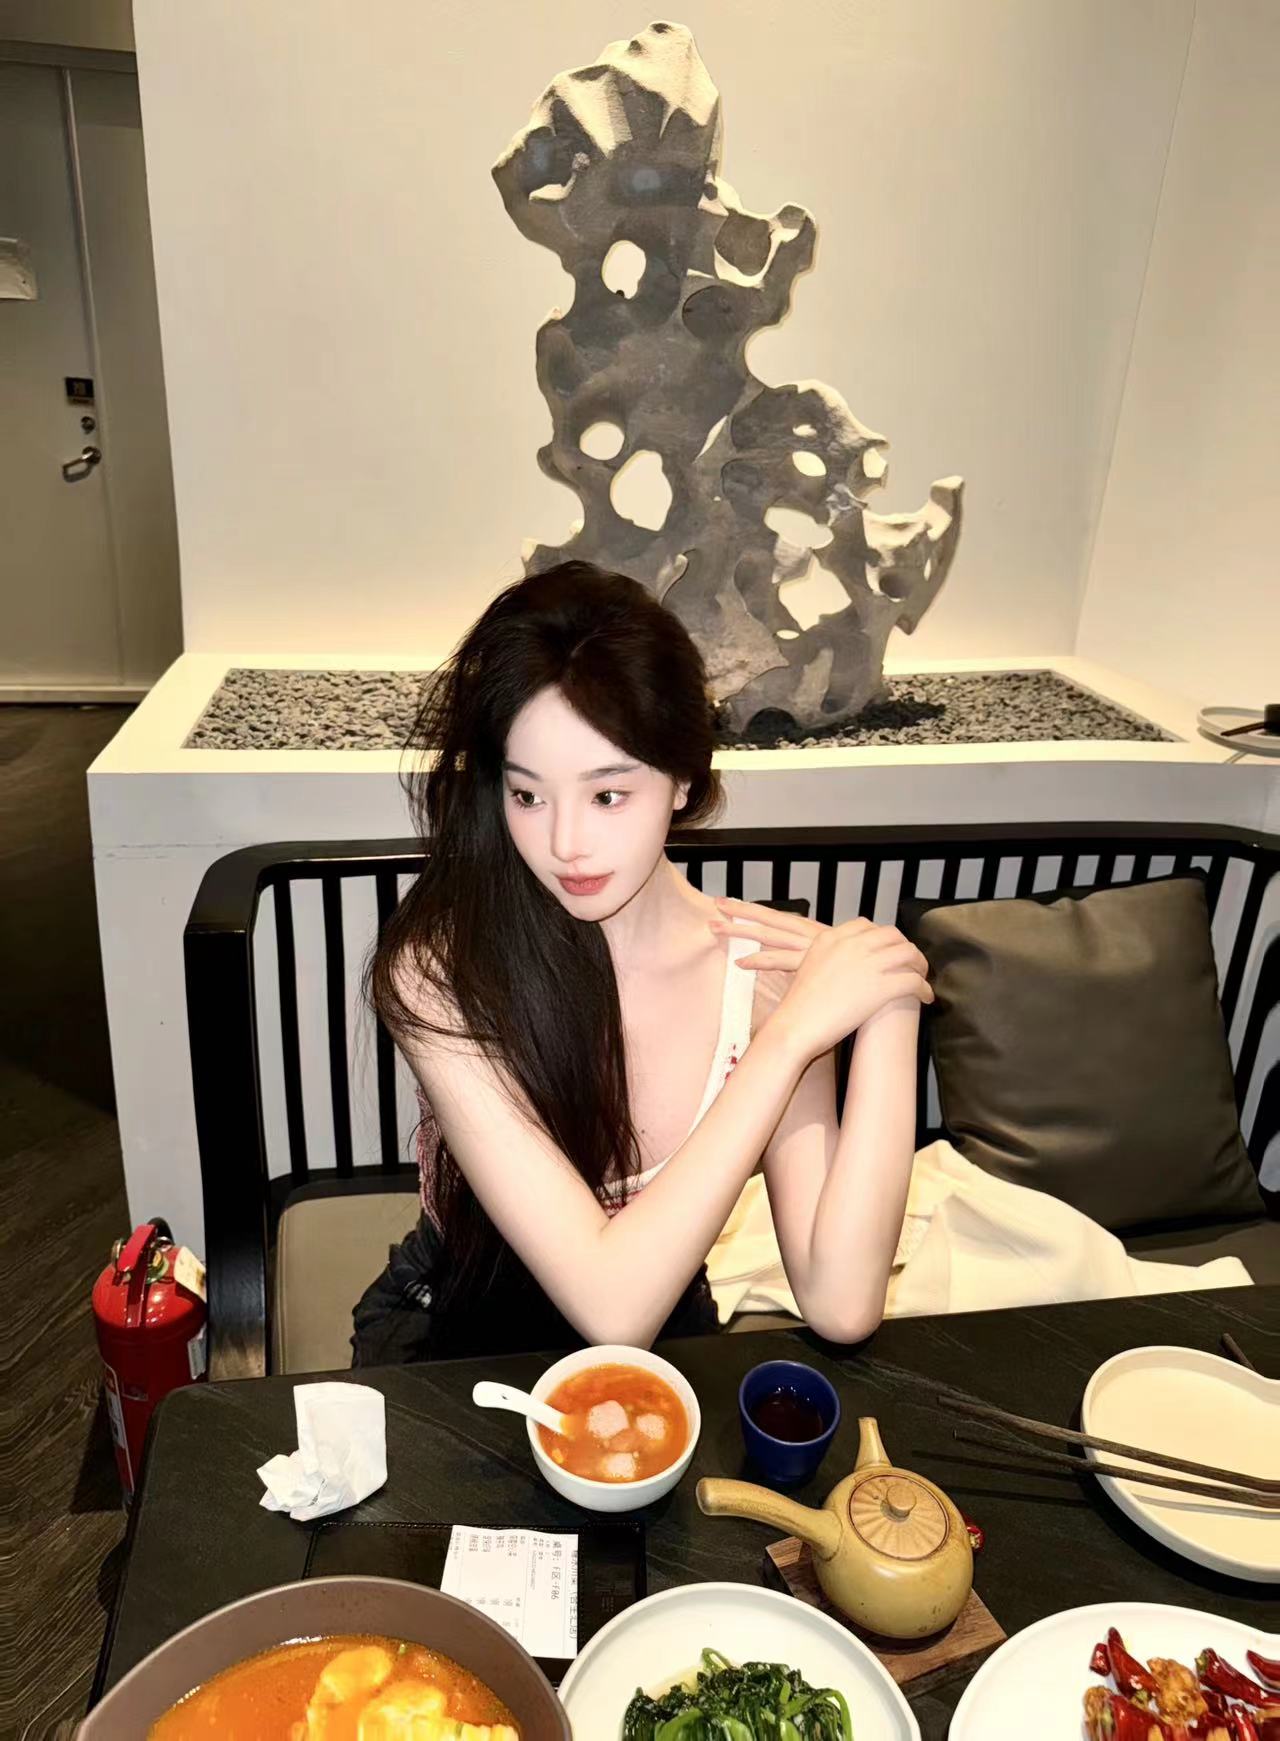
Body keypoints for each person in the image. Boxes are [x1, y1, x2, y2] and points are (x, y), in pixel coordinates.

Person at [353, 560, 932, 1364]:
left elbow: (841, 1304)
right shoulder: (439, 970)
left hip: (666, 1338)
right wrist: (790, 1036)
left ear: (683, 779)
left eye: (607, 794)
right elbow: (612, 1304)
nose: (565, 843)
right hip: (456, 1334)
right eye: (527, 795)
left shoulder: (764, 978)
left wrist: (889, 1002)